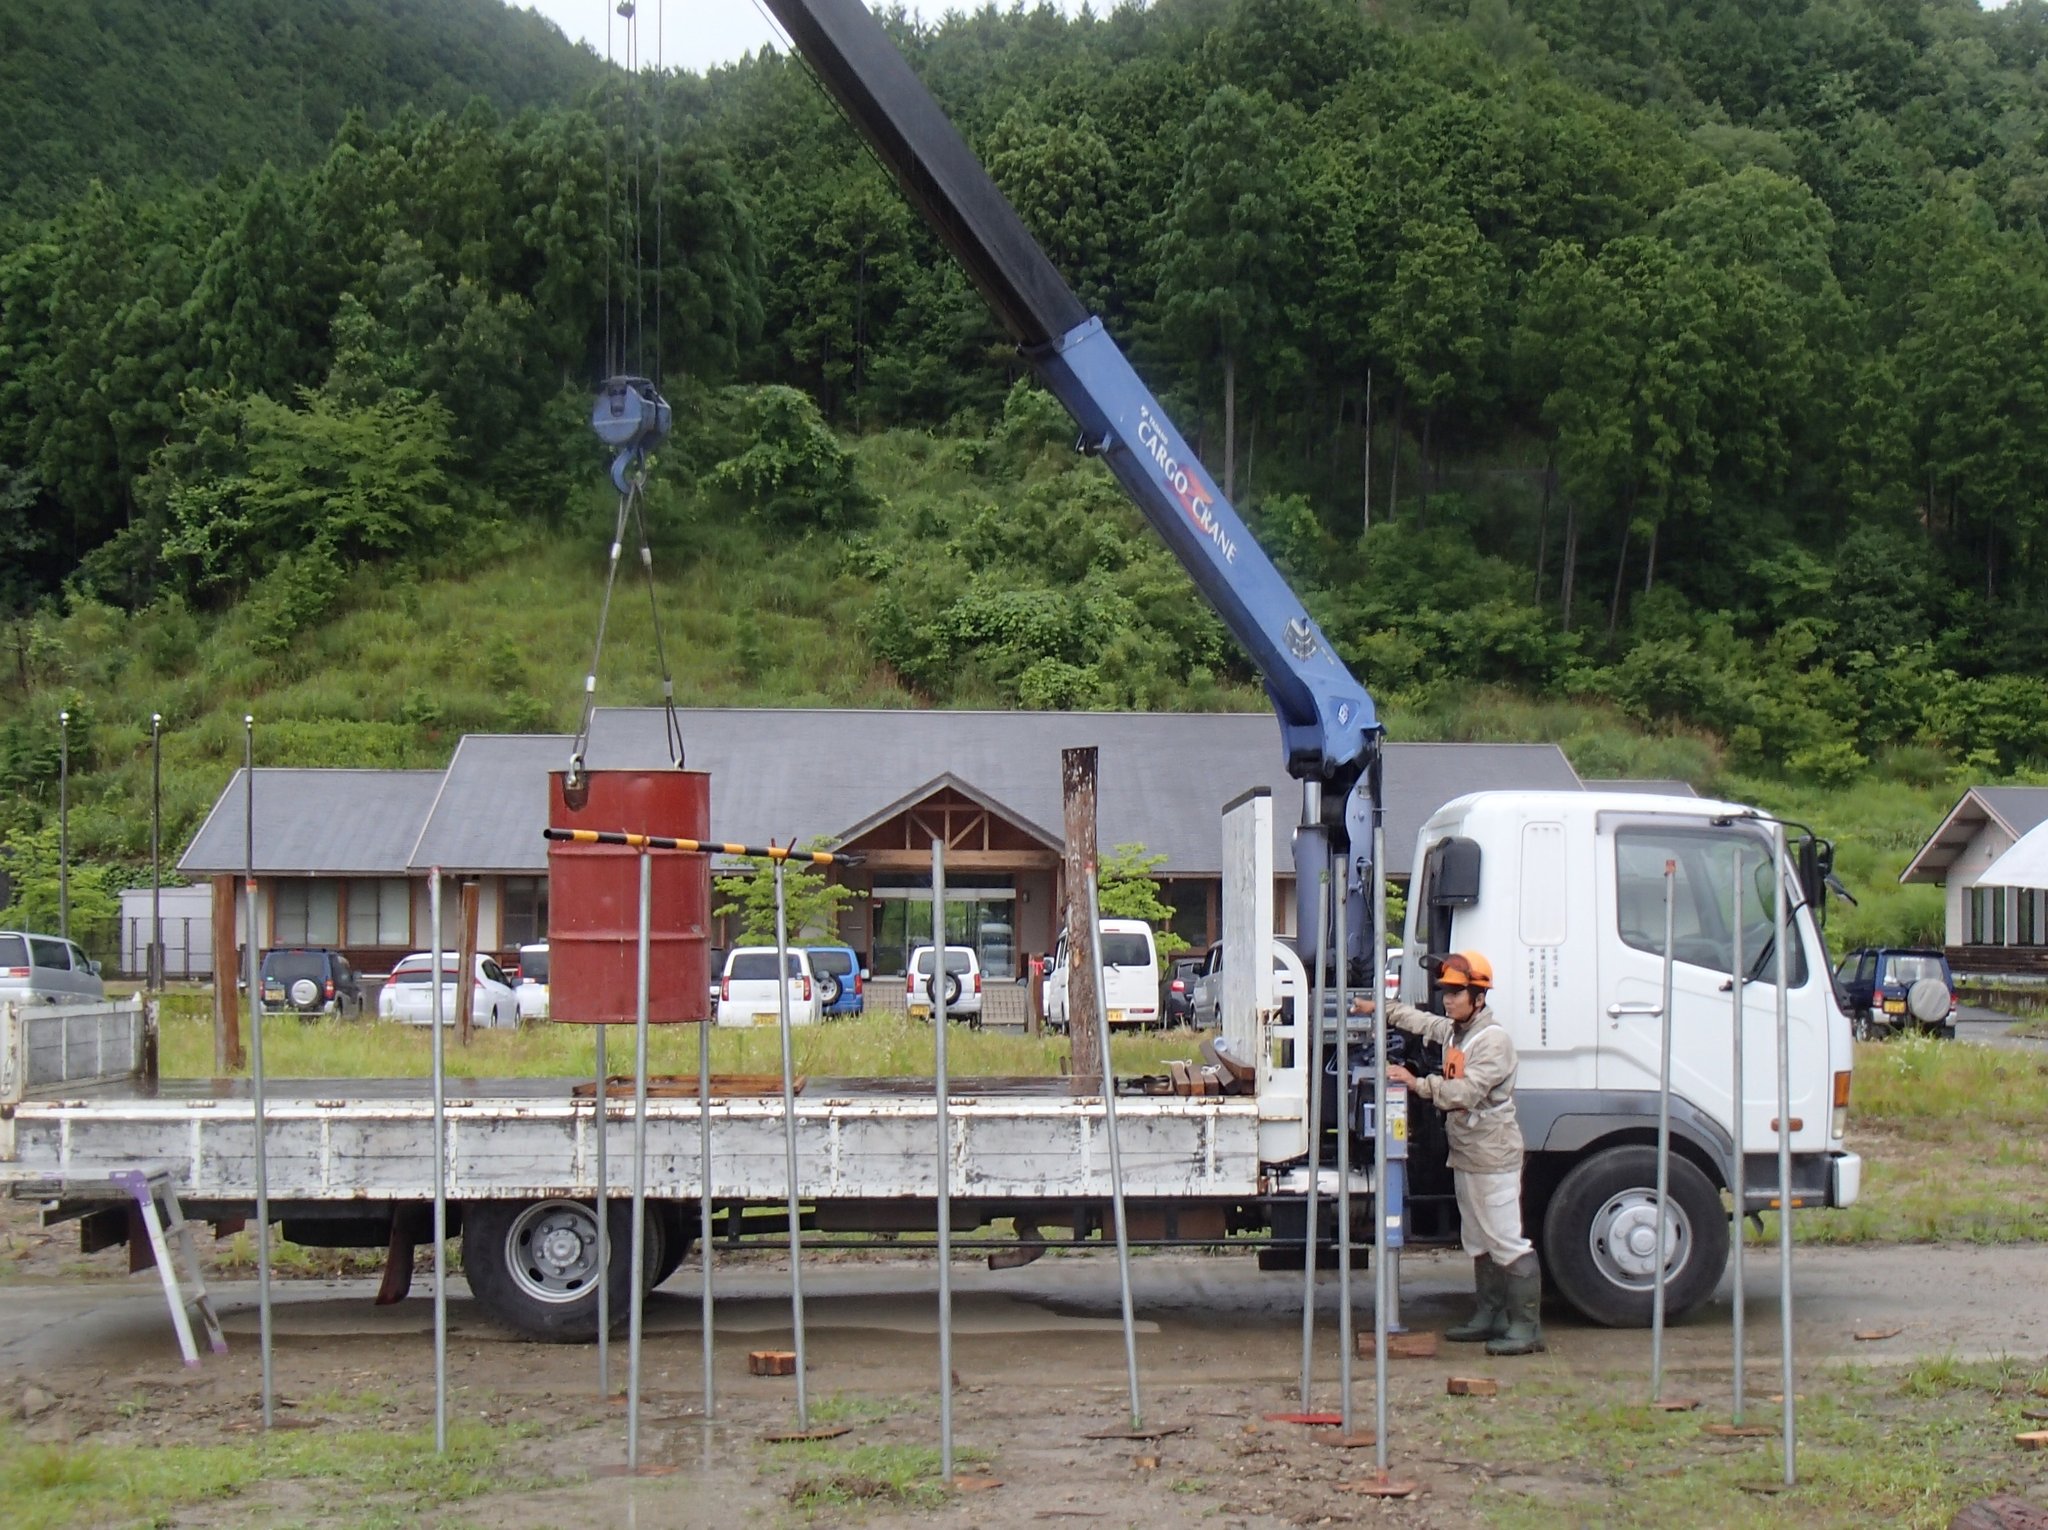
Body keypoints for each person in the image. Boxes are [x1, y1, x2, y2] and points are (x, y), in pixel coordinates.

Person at [1351, 949, 1543, 1356]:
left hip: (1492, 1152)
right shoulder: (1459, 1032)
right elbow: (1423, 1022)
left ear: (1479, 997)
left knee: (1506, 1238)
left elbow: (1467, 1092)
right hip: (1468, 1151)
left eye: (1457, 993)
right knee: (1477, 1236)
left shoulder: (1493, 1041)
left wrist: (1417, 1082)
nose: (1448, 999)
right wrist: (1380, 1008)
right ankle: (1488, 1315)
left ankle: (1526, 1328)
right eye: (1446, 992)